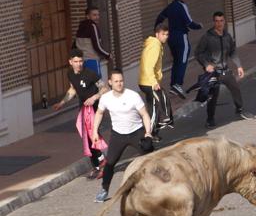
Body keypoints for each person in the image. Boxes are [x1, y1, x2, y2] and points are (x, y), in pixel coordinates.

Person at [92, 69, 153, 202]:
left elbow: (145, 115)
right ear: (110, 82)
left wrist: (148, 133)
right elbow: (99, 113)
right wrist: (94, 131)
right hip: (118, 135)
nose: (119, 84)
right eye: (116, 81)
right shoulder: (106, 98)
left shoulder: (133, 95)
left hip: (136, 132)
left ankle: (160, 186)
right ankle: (104, 190)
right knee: (110, 163)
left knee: (152, 158)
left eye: (121, 81)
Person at [52, 49, 108, 180]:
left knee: (91, 135)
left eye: (81, 61)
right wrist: (62, 102)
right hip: (83, 108)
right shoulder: (70, 73)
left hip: (94, 109)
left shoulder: (90, 74)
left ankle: (102, 162)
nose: (79, 64)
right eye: (76, 61)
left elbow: (105, 88)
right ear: (70, 62)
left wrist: (95, 97)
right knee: (86, 138)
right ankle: (100, 163)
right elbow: (72, 89)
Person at [194, 12, 255, 128]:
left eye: (221, 21)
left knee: (235, 88)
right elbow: (198, 53)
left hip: (225, 70)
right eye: (216, 21)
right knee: (213, 96)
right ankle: (210, 119)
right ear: (214, 22)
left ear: (224, 21)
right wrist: (206, 64)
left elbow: (232, 51)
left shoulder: (227, 36)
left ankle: (240, 110)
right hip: (213, 72)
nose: (219, 23)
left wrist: (239, 65)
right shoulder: (207, 37)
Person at [154, 0, 203, 98]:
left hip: (171, 38)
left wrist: (157, 31)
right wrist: (199, 26)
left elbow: (160, 17)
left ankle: (173, 85)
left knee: (176, 61)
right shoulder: (182, 6)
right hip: (181, 37)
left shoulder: (171, 6)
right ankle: (178, 84)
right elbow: (189, 23)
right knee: (182, 61)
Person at [138, 24, 172, 142]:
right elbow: (148, 66)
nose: (166, 37)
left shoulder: (155, 44)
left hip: (147, 82)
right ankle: (149, 135)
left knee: (155, 108)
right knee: (154, 109)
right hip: (149, 83)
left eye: (167, 34)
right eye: (163, 34)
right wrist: (154, 82)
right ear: (157, 34)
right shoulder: (155, 46)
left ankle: (153, 133)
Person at [74, 7, 110, 77]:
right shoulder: (93, 26)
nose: (97, 17)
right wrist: (107, 55)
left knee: (84, 83)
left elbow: (75, 45)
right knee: (98, 83)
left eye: (98, 15)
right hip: (91, 60)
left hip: (81, 61)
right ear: (88, 16)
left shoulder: (81, 27)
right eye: (94, 15)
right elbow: (97, 46)